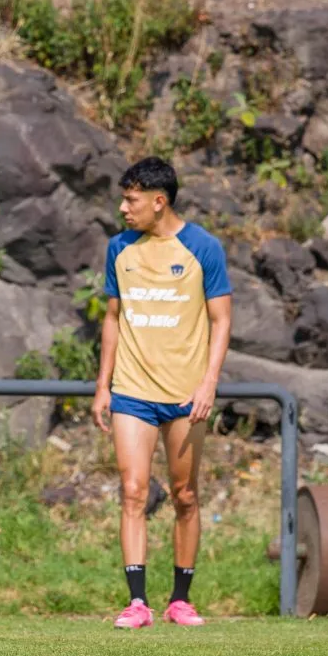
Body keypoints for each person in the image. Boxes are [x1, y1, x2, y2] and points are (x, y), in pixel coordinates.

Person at [91, 157, 232, 629]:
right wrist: (102, 385)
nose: (123, 208)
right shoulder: (119, 248)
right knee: (133, 491)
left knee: (185, 494)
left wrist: (209, 381)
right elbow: (112, 317)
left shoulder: (203, 248)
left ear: (159, 201)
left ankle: (180, 599)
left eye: (131, 200)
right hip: (131, 391)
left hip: (185, 397)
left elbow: (221, 320)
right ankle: (136, 603)